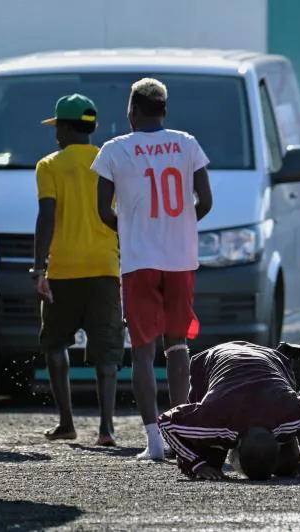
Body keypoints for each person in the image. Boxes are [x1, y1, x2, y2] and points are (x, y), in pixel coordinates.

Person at [93, 78, 213, 460]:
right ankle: (182, 434)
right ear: (164, 110)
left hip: (139, 261)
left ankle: (154, 443)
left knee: (143, 353)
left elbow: (102, 211)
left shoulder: (115, 150)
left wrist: (133, 229)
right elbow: (205, 201)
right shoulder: (187, 144)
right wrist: (177, 227)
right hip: (180, 260)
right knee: (178, 347)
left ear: (131, 111)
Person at [31, 94, 123, 446]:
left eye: (58, 127)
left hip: (64, 272)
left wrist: (39, 268)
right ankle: (107, 429)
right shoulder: (109, 161)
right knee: (107, 354)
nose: (56, 135)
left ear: (67, 128)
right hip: (105, 269)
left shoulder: (49, 165)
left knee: (54, 343)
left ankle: (67, 423)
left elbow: (46, 216)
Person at [158, 341, 300, 480]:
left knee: (289, 466)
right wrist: (196, 464)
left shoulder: (290, 413)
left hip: (271, 358)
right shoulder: (215, 417)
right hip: (212, 359)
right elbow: (165, 422)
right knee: (203, 463)